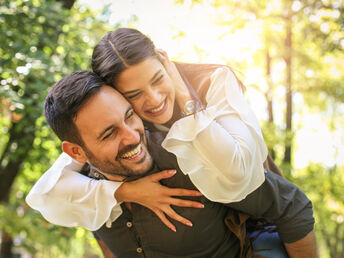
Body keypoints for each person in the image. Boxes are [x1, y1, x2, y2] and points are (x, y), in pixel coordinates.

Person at [33, 71, 316, 257]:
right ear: (76, 152)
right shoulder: (79, 194)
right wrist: (122, 193)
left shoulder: (189, 157)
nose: (133, 136)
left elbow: (291, 205)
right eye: (109, 133)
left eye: (130, 116)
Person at [27, 28, 278, 233]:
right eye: (133, 95)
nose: (155, 100)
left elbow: (237, 172)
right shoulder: (122, 122)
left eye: (158, 79)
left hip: (272, 218)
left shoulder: (213, 81)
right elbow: (46, 192)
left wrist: (186, 99)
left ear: (164, 62)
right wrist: (125, 192)